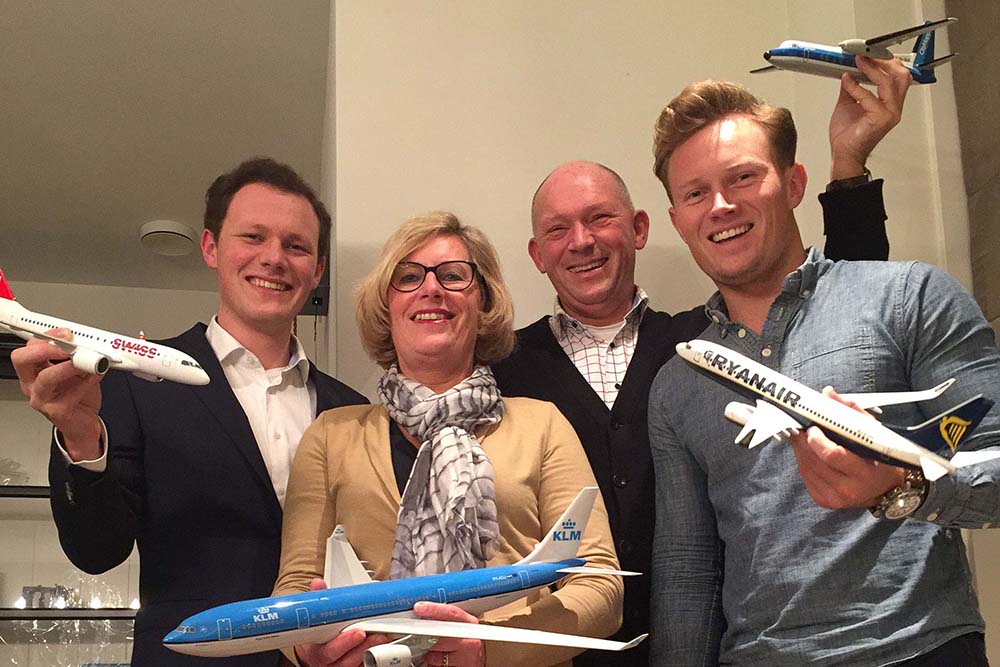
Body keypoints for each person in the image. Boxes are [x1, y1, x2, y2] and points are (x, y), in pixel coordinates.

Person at [490, 55, 911, 665]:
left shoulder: (706, 345)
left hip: (711, 642)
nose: (581, 241)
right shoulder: (501, 370)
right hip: (561, 649)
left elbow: (843, 300)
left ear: (639, 229)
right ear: (536, 254)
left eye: (600, 218)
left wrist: (849, 169)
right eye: (558, 230)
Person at [647, 79, 1000, 666]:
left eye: (742, 177)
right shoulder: (677, 385)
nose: (720, 206)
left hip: (917, 647)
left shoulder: (910, 296)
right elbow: (687, 572)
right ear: (677, 220)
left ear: (794, 184)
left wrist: (903, 486)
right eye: (695, 193)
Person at [12, 157, 367, 667]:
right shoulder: (135, 383)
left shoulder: (353, 411)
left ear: (318, 270)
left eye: (296, 246)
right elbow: (96, 552)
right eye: (253, 237)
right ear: (210, 247)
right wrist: (79, 434)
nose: (274, 258)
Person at [272, 212, 624, 667]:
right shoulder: (331, 435)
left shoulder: (543, 425)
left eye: (454, 276)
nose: (431, 288)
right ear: (385, 307)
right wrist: (308, 648)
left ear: (483, 303)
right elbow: (295, 586)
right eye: (408, 277)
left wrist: (490, 649)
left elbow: (600, 586)